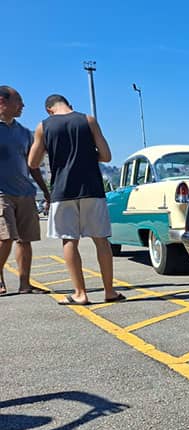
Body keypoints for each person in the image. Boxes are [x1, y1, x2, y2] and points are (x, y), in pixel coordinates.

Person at [27, 94, 124, 305]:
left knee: (69, 240)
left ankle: (80, 293)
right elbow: (106, 156)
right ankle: (109, 291)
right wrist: (87, 155)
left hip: (63, 191)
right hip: (92, 189)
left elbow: (33, 162)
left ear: (49, 110)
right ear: (69, 105)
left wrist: (52, 151)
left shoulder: (43, 126)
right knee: (101, 240)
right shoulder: (88, 120)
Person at [0, 85, 51, 295]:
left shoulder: (24, 133)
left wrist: (45, 191)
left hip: (25, 193)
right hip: (1, 193)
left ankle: (25, 284)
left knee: (25, 239)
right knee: (5, 237)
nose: (23, 105)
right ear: (2, 102)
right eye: (18, 100)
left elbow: (33, 166)